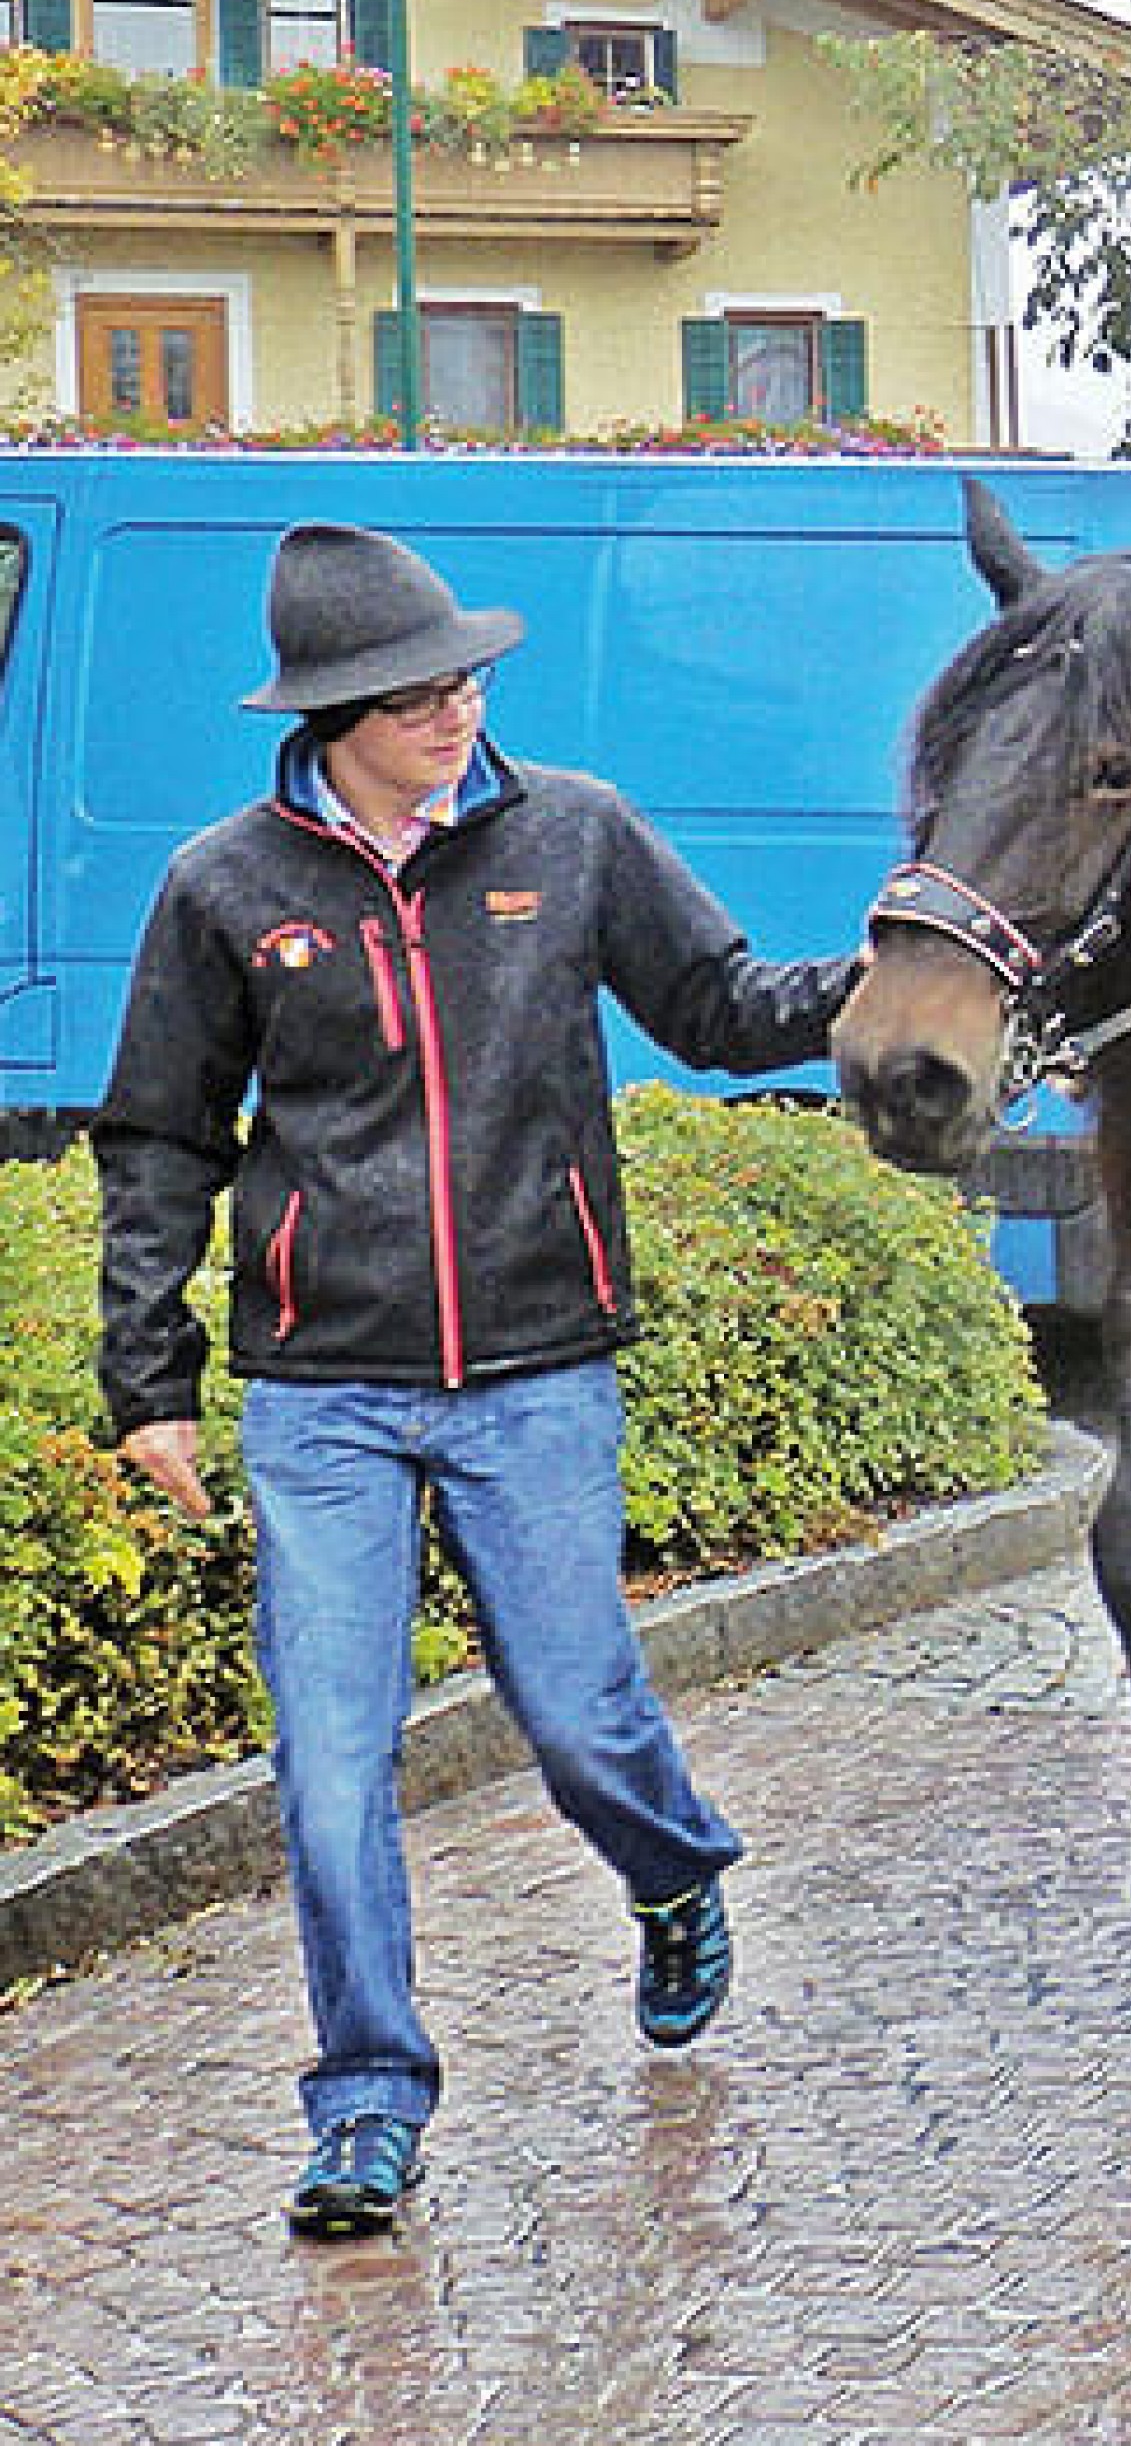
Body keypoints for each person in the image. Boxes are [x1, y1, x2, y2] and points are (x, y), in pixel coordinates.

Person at [91, 526, 862, 2240]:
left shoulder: (568, 833)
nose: (457, 707)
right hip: (324, 1392)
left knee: (581, 1714)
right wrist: (150, 1375)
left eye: (466, 678)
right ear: (333, 710)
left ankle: (671, 1869)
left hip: (533, 1365)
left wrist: (886, 987)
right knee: (332, 1756)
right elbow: (157, 1139)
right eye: (419, 688)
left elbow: (726, 1006)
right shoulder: (228, 885)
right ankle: (365, 2095)